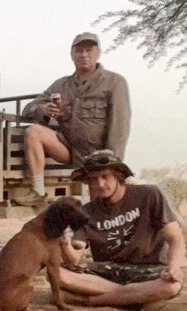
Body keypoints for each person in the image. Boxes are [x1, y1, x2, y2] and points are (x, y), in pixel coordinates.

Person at [59, 150, 184, 309]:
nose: (100, 185)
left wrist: (174, 267)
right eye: (93, 180)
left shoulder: (150, 194)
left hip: (148, 272)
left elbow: (175, 238)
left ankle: (89, 301)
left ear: (119, 175)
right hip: (107, 273)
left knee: (171, 286)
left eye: (105, 176)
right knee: (57, 274)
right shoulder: (86, 213)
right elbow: (74, 258)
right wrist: (63, 241)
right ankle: (137, 298)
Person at [16, 32, 131, 206]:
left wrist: (112, 163)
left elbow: (120, 125)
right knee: (33, 132)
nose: (83, 55)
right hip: (69, 150)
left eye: (88, 50)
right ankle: (38, 192)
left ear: (98, 53)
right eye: (79, 51)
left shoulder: (114, 82)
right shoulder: (61, 85)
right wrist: (43, 110)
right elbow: (29, 108)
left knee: (102, 204)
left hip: (99, 154)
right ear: (72, 55)